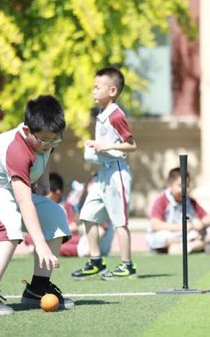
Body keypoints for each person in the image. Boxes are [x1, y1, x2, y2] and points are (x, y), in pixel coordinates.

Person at [0, 95, 72, 315]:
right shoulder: (16, 149)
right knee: (8, 222)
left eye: (54, 139)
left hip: (4, 189)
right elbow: (24, 201)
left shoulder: (44, 138)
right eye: (44, 140)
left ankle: (38, 288)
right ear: (27, 130)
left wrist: (44, 179)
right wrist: (40, 244)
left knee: (55, 214)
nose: (48, 144)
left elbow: (47, 150)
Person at [71, 67, 137, 280]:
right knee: (87, 215)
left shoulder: (116, 114)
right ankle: (96, 261)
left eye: (97, 87)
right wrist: (97, 147)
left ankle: (127, 265)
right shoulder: (102, 114)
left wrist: (105, 147)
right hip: (103, 175)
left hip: (117, 173)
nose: (93, 91)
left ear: (112, 90)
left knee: (120, 221)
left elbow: (132, 144)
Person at [146, 168, 210, 254]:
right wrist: (181, 227)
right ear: (170, 185)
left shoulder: (190, 201)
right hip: (169, 234)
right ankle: (190, 247)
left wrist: (201, 223)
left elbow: (209, 218)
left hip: (188, 235)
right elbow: (155, 224)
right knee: (163, 237)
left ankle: (189, 247)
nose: (185, 189)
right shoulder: (162, 200)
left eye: (187, 185)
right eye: (180, 185)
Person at [46, 173, 114, 257]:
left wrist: (91, 250)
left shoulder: (103, 204)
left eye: (94, 184)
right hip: (86, 241)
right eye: (91, 183)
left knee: (54, 247)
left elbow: (101, 231)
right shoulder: (93, 203)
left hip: (94, 246)